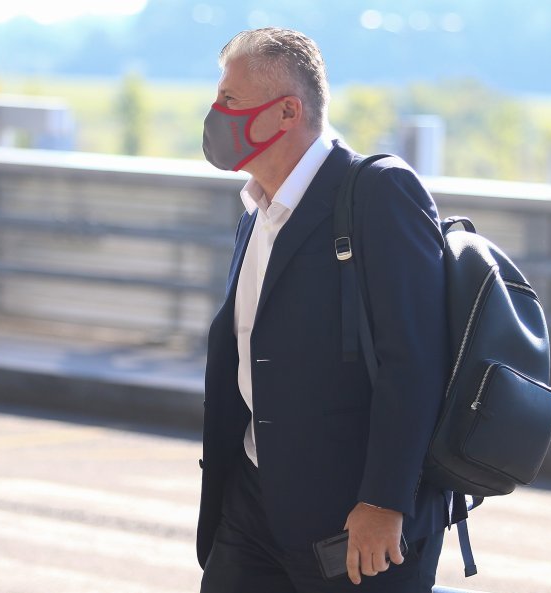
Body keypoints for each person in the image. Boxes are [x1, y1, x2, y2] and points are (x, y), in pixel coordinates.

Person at [197, 28, 452, 593]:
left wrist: (384, 501)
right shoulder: (256, 213)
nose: (215, 114)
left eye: (230, 99)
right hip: (253, 502)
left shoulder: (378, 193)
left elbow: (414, 362)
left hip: (353, 520)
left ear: (287, 112)